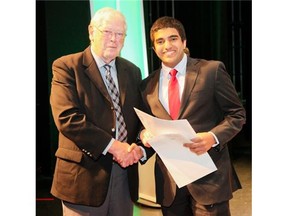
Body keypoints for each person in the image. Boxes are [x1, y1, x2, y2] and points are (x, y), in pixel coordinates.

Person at [138, 16, 246, 216]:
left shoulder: (211, 71)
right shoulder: (146, 85)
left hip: (209, 178)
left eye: (173, 39)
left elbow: (237, 114)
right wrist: (144, 134)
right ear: (154, 49)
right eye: (160, 41)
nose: (167, 45)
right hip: (169, 183)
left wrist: (212, 138)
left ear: (184, 42)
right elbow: (142, 125)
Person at [49, 7, 144, 216]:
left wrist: (139, 146)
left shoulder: (133, 71)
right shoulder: (67, 67)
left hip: (124, 177)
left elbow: (139, 118)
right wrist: (114, 147)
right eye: (108, 32)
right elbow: (68, 119)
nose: (114, 39)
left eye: (120, 34)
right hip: (82, 177)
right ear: (92, 32)